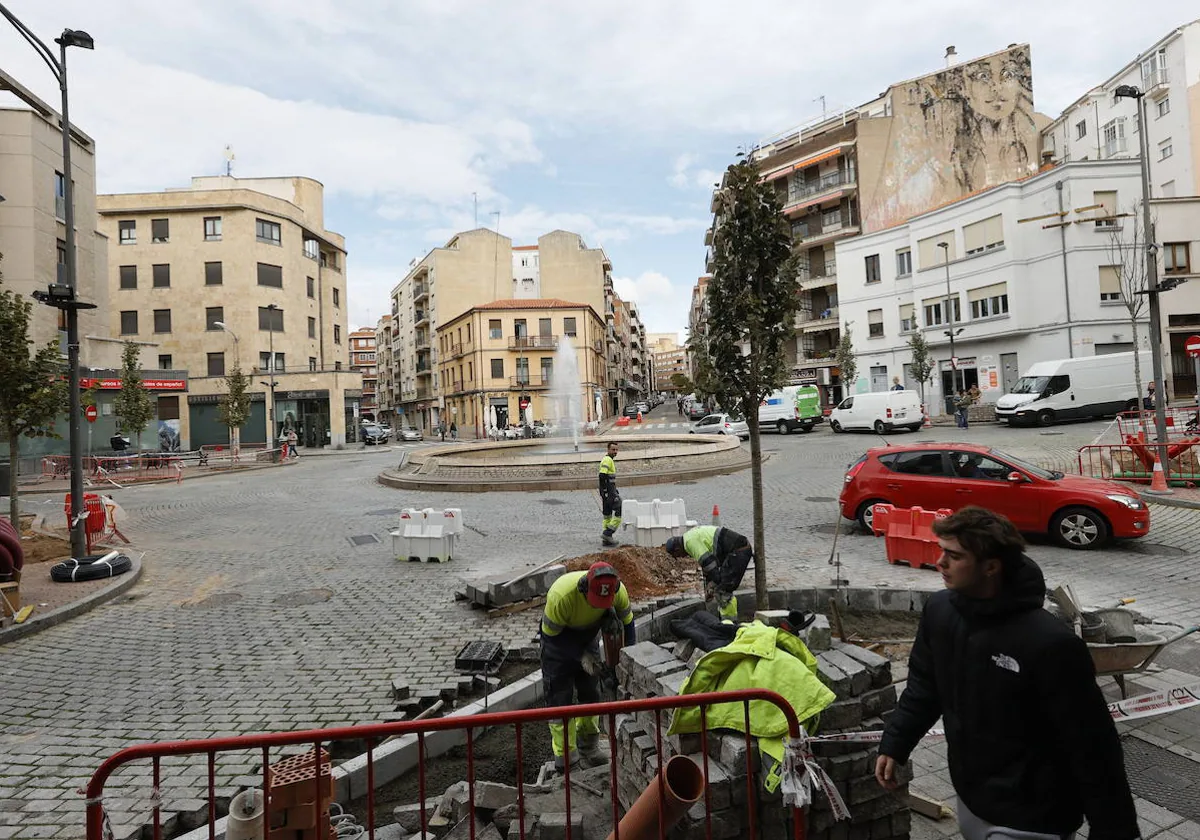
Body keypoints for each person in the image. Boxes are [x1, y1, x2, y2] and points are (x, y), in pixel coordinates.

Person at [875, 507, 1138, 840]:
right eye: (942, 550)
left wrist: (1115, 830)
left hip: (1032, 816)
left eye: (954, 556)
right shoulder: (940, 611)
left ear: (991, 567)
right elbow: (924, 687)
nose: (940, 562)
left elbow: (1093, 747)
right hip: (971, 798)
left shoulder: (1051, 644)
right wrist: (896, 741)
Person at [540, 562, 636, 770]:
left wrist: (630, 663)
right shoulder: (561, 596)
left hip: (587, 637)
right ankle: (566, 761)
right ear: (584, 588)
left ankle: (589, 747)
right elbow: (550, 638)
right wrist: (581, 657)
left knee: (591, 694)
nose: (599, 606)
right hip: (558, 642)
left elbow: (628, 626)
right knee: (560, 701)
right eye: (596, 601)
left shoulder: (619, 592)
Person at [664, 526, 753, 621]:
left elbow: (709, 563)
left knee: (723, 592)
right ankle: (725, 622)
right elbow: (708, 566)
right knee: (722, 588)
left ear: (677, 549)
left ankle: (729, 625)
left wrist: (715, 584)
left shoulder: (689, 543)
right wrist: (709, 587)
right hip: (737, 549)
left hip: (739, 550)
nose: (682, 557)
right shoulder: (689, 537)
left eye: (678, 555)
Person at [598, 442, 622, 547]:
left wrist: (604, 492)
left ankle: (606, 540)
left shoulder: (607, 460)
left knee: (607, 515)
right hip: (609, 491)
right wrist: (607, 491)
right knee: (619, 510)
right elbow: (602, 475)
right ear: (608, 450)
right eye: (613, 450)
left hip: (607, 491)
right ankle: (607, 533)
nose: (615, 452)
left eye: (616, 450)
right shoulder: (607, 460)